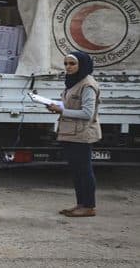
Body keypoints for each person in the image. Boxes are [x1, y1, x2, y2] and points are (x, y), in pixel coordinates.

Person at [47, 51, 101, 218]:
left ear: (82, 65)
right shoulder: (73, 82)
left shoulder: (88, 85)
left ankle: (89, 206)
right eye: (66, 64)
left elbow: (87, 113)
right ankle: (81, 204)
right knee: (77, 171)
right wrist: (56, 106)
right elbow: (71, 105)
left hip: (82, 134)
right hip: (71, 133)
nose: (68, 67)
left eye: (72, 64)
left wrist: (62, 110)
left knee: (84, 170)